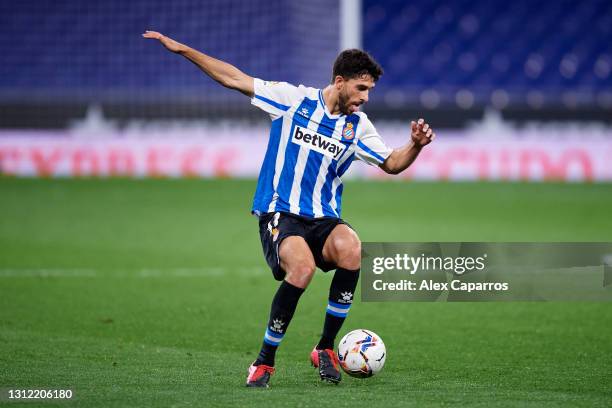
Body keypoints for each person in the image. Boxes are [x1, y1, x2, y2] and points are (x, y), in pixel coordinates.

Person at [143, 30, 436, 388]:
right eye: (361, 88)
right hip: (280, 212)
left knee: (352, 247)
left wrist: (416, 146)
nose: (365, 97)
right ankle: (265, 361)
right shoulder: (292, 101)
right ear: (339, 82)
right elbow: (233, 77)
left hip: (323, 216)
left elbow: (391, 163)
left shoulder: (357, 127)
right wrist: (183, 49)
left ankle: (326, 347)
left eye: (370, 91)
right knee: (302, 267)